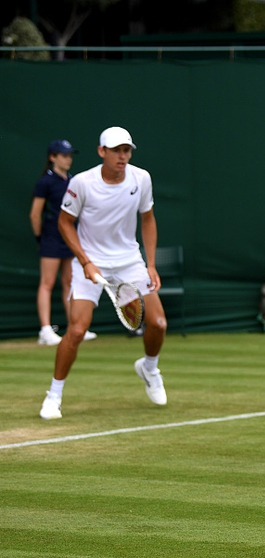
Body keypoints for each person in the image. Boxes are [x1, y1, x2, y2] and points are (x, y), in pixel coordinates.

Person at [39, 127, 169, 421]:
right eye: (116, 151)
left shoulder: (141, 178)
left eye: (127, 150)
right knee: (77, 330)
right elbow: (64, 223)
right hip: (90, 262)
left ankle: (149, 369)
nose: (122, 156)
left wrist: (150, 264)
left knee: (158, 323)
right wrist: (85, 261)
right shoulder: (82, 183)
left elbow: (148, 219)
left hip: (129, 262)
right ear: (102, 152)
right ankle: (54, 396)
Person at [30, 139, 97, 346]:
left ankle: (75, 326)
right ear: (53, 158)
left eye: (70, 156)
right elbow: (35, 214)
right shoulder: (45, 182)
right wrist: (41, 238)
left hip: (70, 237)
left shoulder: (73, 181)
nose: (68, 159)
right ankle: (45, 330)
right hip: (51, 237)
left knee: (69, 282)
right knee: (48, 282)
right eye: (64, 155)